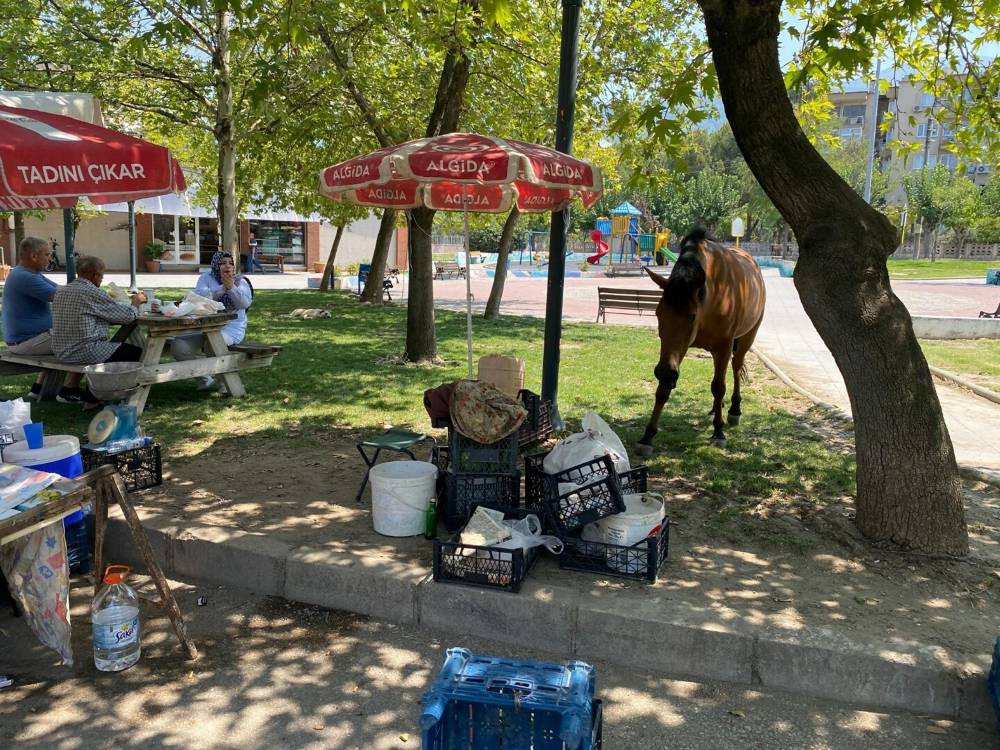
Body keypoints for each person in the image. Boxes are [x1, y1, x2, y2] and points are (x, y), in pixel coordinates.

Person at [50, 255, 147, 408]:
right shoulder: (92, 292)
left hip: (61, 349)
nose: (101, 279)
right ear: (95, 275)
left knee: (118, 350)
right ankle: (95, 398)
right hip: (84, 350)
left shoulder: (62, 290)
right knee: (136, 353)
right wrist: (136, 303)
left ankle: (92, 394)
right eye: (102, 275)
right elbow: (127, 317)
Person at [1, 237, 84, 402]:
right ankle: (69, 390)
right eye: (47, 255)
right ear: (33, 256)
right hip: (25, 342)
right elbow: (62, 297)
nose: (49, 258)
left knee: (59, 335)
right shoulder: (25, 277)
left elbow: (62, 290)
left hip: (29, 339)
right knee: (86, 339)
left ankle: (38, 388)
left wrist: (83, 291)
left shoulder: (28, 273)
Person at [171, 251, 252, 391]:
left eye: (230, 263)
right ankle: (204, 378)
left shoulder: (240, 281)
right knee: (179, 344)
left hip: (231, 329)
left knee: (213, 343)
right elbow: (200, 297)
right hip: (204, 327)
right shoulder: (206, 277)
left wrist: (232, 288)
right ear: (215, 264)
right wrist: (221, 289)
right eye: (223, 263)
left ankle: (225, 383)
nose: (228, 266)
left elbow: (244, 304)